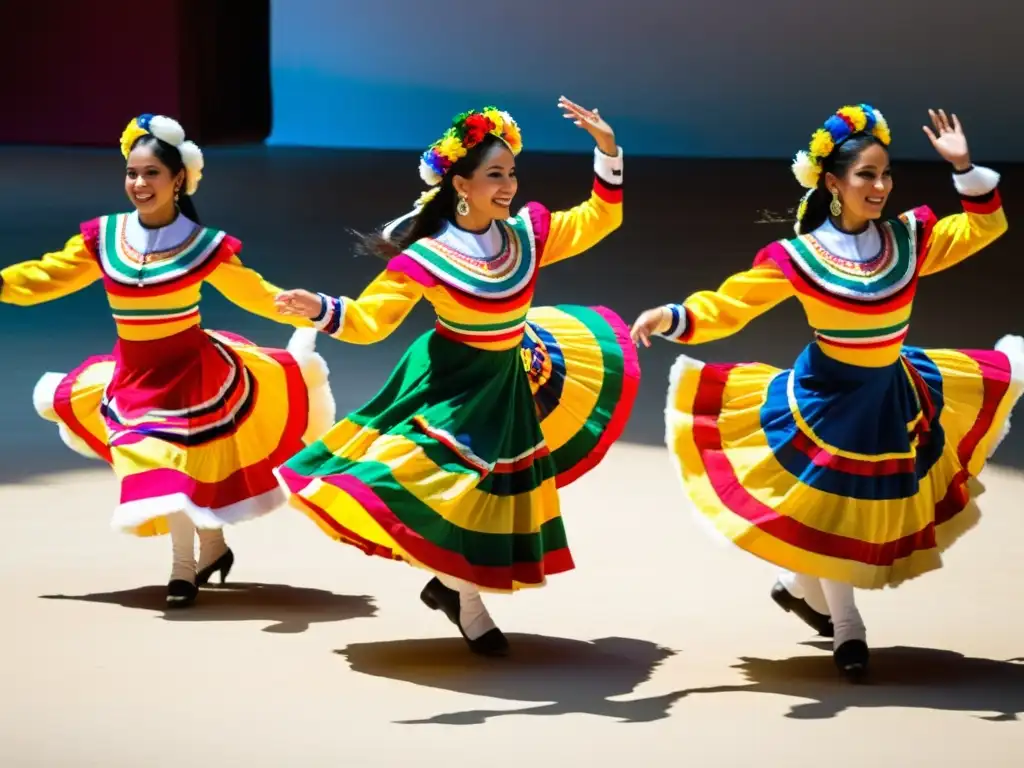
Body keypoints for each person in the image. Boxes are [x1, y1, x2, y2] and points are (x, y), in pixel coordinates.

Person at [630, 104, 1022, 681]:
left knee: (853, 510)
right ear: (833, 183)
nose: (880, 186)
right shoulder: (800, 256)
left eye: (886, 174)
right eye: (866, 175)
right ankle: (848, 628)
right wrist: (673, 315)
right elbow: (733, 303)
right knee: (836, 506)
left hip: (889, 390)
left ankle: (796, 587)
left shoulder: (908, 239)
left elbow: (983, 228)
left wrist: (963, 167)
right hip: (829, 395)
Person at [273, 97, 638, 656]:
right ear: (460, 184)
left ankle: (453, 593)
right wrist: (320, 308)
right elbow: (372, 321)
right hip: (451, 381)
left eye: (512, 173)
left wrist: (607, 150)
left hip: (511, 377)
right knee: (445, 484)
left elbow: (600, 218)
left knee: (490, 493)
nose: (509, 185)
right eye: (495, 175)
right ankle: (466, 602)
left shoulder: (526, 236)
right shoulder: (427, 256)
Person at [0, 114, 337, 607]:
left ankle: (182, 568)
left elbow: (256, 293)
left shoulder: (203, 246)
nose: (139, 183)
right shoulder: (105, 237)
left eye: (152, 173)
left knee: (173, 466)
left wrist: (309, 307)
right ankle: (214, 546)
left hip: (192, 372)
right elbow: (48, 276)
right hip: (134, 375)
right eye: (132, 173)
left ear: (178, 179)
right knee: (159, 461)